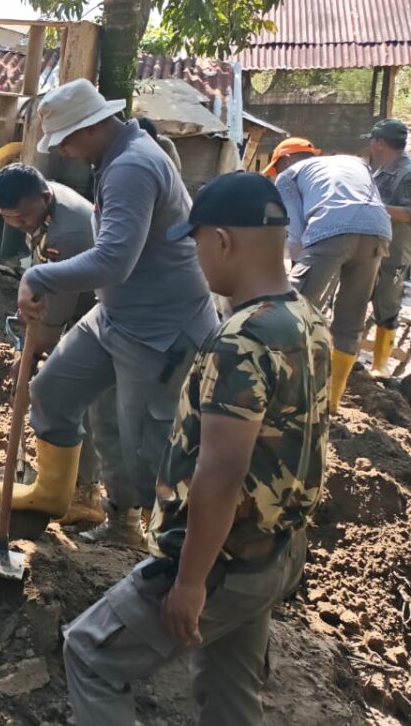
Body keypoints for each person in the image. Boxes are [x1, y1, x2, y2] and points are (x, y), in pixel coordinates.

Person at [63, 171, 331, 726]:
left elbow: (221, 472)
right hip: (277, 550)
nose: (197, 257)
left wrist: (187, 583)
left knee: (91, 653)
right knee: (230, 689)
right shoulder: (306, 319)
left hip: (223, 563)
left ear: (223, 240)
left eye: (198, 241)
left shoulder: (242, 341)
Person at [5, 79, 219, 545]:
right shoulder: (116, 157)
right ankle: (55, 496)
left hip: (162, 326)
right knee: (57, 391)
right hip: (115, 315)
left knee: (143, 437)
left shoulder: (131, 167)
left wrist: (37, 277)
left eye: (64, 141)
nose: (64, 151)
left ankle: (165, 538)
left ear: (89, 128)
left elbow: (113, 261)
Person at [0, 163, 115, 527]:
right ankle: (75, 486)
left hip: (109, 312)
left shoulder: (69, 232)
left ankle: (85, 495)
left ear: (44, 199)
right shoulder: (43, 205)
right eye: (11, 220)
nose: (20, 226)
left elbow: (53, 318)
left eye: (23, 218)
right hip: (82, 303)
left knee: (81, 397)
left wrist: (28, 361)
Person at [268, 136, 391, 410]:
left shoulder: (288, 176)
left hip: (330, 228)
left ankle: (282, 390)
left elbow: (296, 237)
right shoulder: (354, 162)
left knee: (292, 308)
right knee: (351, 318)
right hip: (379, 231)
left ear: (286, 159)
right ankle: (332, 403)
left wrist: (301, 275)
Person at [363, 119, 411, 375]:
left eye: (372, 140)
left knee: (387, 305)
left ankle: (380, 368)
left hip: (395, 252)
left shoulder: (407, 173)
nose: (370, 145)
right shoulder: (381, 170)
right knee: (359, 299)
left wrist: (375, 209)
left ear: (380, 143)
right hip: (372, 248)